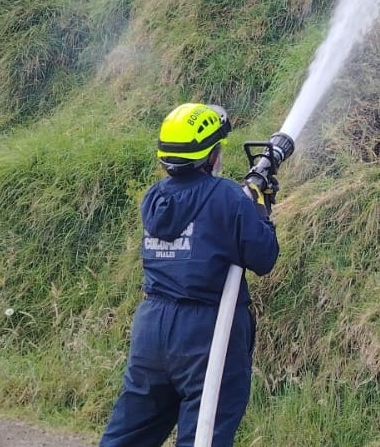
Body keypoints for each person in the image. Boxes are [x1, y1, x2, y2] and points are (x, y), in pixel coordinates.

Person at [98, 102, 280, 447]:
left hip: (152, 329)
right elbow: (263, 256)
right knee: (203, 437)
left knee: (129, 435)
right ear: (210, 155)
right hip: (207, 330)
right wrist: (258, 208)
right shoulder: (227, 197)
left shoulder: (154, 198)